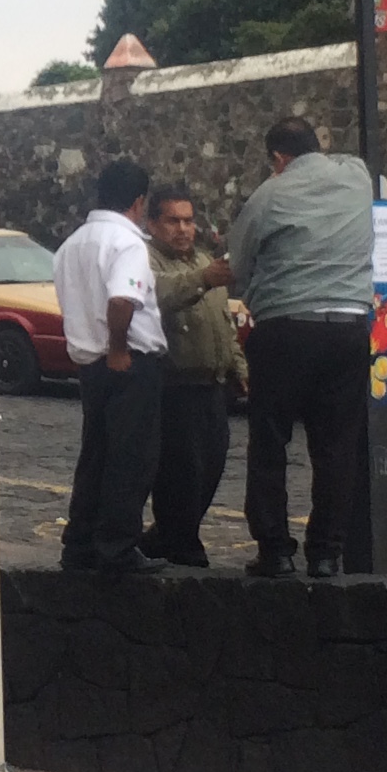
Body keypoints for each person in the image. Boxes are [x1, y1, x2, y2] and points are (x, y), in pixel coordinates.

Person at [224, 115, 377, 577]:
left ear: (277, 158)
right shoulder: (357, 176)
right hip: (350, 327)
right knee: (337, 446)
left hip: (286, 328)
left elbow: (239, 262)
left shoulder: (269, 195)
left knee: (270, 439)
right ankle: (327, 552)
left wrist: (258, 293)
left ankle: (275, 549)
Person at [51, 158, 167, 575]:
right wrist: (119, 347)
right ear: (139, 201)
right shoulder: (127, 243)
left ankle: (80, 541)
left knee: (96, 453)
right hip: (127, 361)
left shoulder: (72, 245)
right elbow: (122, 300)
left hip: (89, 365)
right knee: (130, 456)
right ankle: (117, 545)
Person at [140, 185, 242, 568]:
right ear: (153, 223)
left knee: (212, 465)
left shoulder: (203, 259)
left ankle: (167, 535)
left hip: (213, 385)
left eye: (188, 220)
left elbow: (224, 322)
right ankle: (182, 544)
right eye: (172, 220)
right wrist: (203, 278)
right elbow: (158, 294)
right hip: (174, 384)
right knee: (180, 469)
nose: (183, 229)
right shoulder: (148, 260)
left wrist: (238, 366)